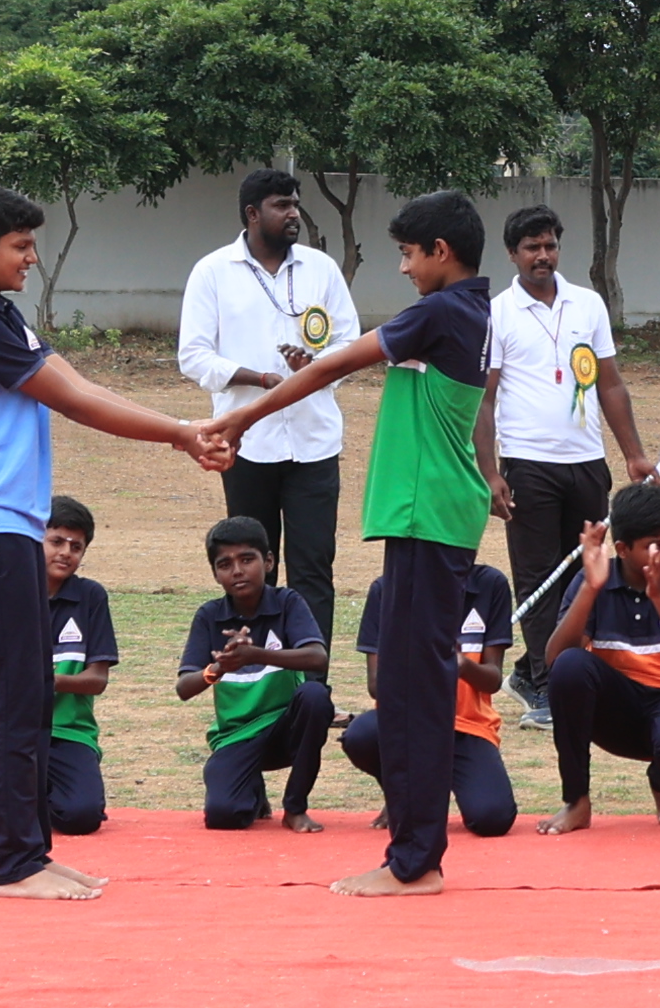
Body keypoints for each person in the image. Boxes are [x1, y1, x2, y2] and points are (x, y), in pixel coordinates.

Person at [0, 184, 233, 901]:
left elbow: (75, 379)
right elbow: (72, 399)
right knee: (10, 695)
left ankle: (33, 851)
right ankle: (15, 865)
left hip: (10, 522)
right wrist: (178, 434)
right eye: (20, 245)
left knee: (31, 691)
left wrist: (180, 429)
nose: (32, 256)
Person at [206, 190, 503, 896]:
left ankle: (416, 862)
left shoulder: (445, 309)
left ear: (441, 252)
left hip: (429, 514)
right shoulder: (464, 310)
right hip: (422, 516)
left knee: (417, 690)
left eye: (407, 254)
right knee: (404, 686)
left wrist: (245, 418)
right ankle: (410, 853)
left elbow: (332, 365)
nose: (401, 269)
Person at [179, 167, 363, 657]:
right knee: (249, 570)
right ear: (252, 214)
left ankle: (311, 686)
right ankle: (256, 677)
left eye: (296, 203)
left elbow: (348, 343)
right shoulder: (213, 271)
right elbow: (193, 356)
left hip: (314, 442)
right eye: (283, 204)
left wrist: (314, 368)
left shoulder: (320, 269)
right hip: (248, 445)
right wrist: (260, 380)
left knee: (313, 567)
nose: (294, 213)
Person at [484, 201, 649, 672]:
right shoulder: (497, 313)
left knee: (585, 574)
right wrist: (491, 472)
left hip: (587, 465)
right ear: (512, 254)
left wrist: (633, 456)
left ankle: (575, 670)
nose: (543, 255)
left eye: (550, 246)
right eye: (532, 247)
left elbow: (610, 383)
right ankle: (542, 678)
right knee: (539, 579)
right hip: (528, 466)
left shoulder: (588, 303)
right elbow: (485, 400)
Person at [532, 483, 660, 827]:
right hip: (617, 709)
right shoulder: (594, 580)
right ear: (622, 548)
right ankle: (576, 801)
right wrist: (591, 588)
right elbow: (555, 660)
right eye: (655, 545)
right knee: (571, 665)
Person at [0, 496, 117, 847]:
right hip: (14, 728)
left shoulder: (90, 597)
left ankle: (28, 794)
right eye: (56, 541)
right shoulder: (4, 593)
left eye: (76, 546)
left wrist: (45, 681)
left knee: (81, 816)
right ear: (35, 539)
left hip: (69, 734)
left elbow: (97, 680)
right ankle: (23, 793)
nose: (66, 552)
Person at [341, 554, 523, 843]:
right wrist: (420, 658)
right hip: (405, 724)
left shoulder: (491, 585)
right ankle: (402, 794)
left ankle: (426, 786)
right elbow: (377, 686)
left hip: (466, 727)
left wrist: (461, 664)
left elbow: (492, 680)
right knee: (360, 736)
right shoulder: (384, 590)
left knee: (493, 817)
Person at [175, 515, 336, 829]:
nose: (237, 571)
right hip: (237, 736)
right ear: (215, 573)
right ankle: (252, 789)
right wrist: (219, 667)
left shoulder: (287, 602)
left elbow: (318, 658)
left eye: (247, 559)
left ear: (269, 561)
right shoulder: (210, 616)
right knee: (224, 816)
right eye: (225, 564)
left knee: (315, 696)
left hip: (284, 728)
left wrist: (257, 654)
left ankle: (295, 806)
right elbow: (184, 687)